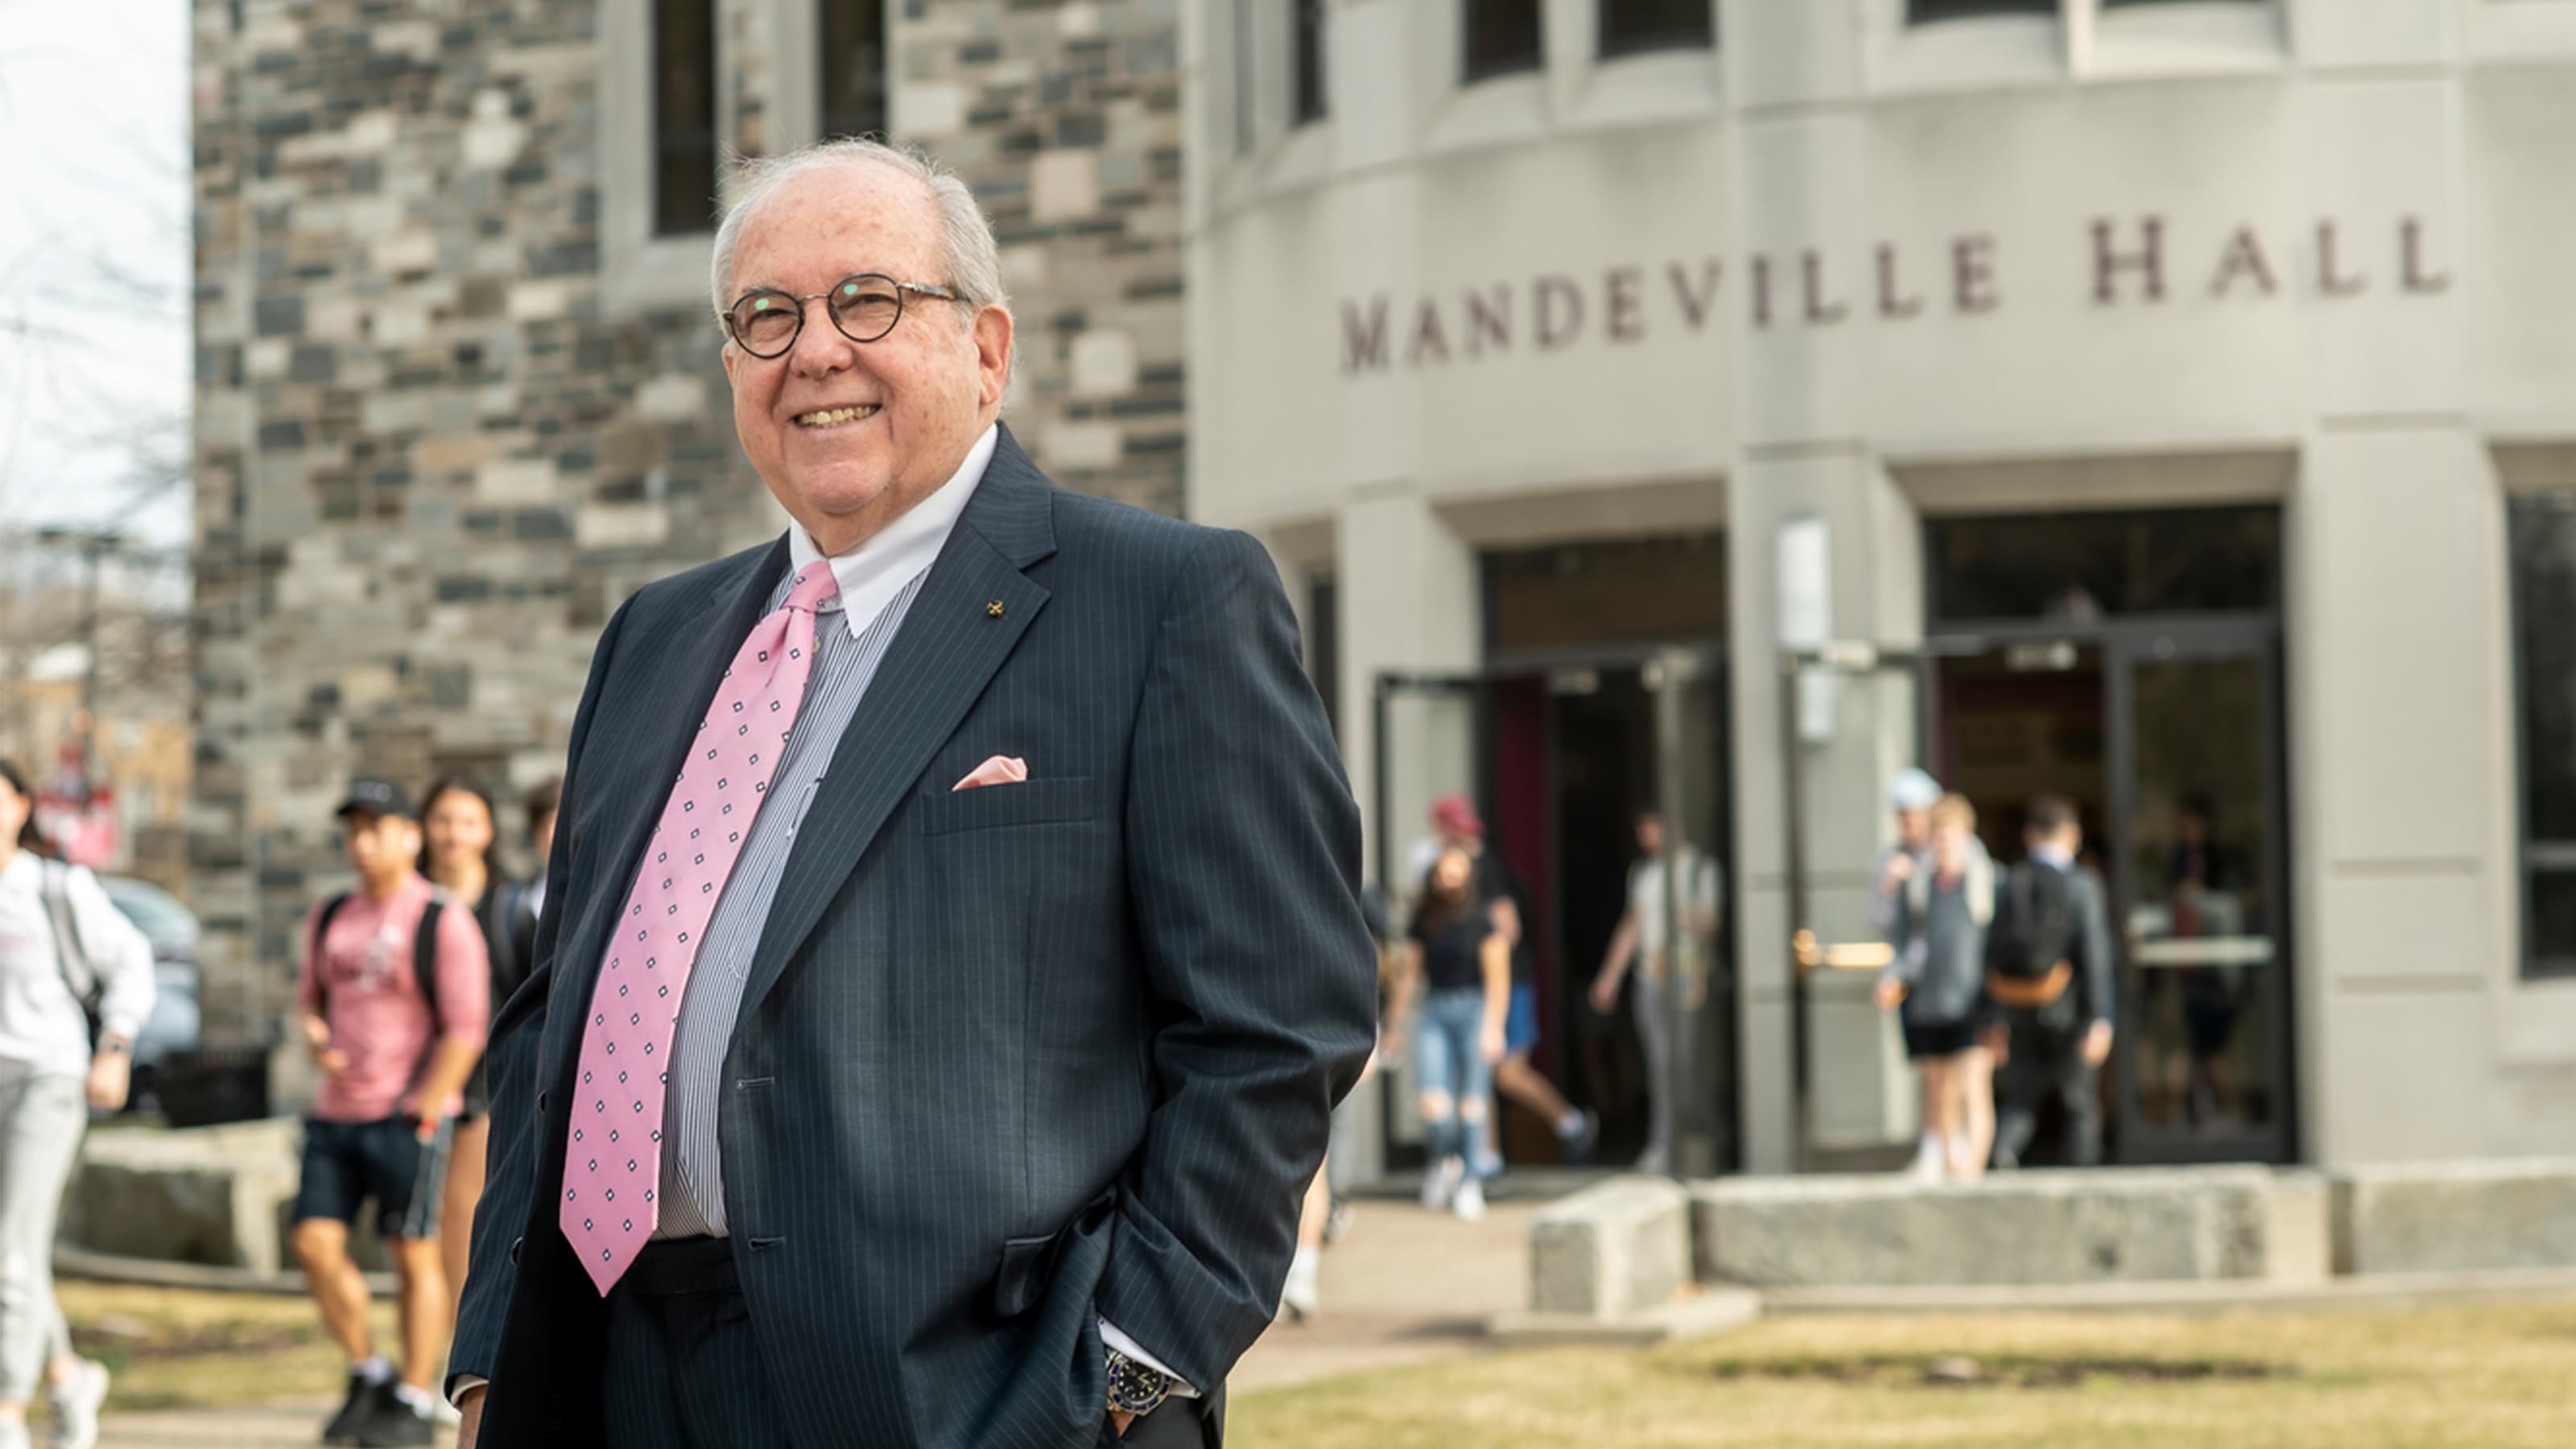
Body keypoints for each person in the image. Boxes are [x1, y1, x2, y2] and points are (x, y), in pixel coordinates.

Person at [448, 138, 1375, 1449]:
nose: (815, 350)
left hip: (975, 1393)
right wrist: (493, 1364)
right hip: (621, 1382)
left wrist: (1130, 1366)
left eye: (868, 300)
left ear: (988, 349)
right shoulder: (652, 640)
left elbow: (1279, 1025)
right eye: (767, 316)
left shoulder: (1164, 603)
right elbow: (557, 1022)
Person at [291, 778, 490, 1448]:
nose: (362, 843)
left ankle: (411, 1394)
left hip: (407, 1113)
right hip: (335, 1112)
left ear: (410, 836)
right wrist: (314, 1034)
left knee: (413, 1256)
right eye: (353, 830)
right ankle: (367, 1370)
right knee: (313, 1244)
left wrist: (429, 1105)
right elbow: (310, 999)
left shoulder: (440, 919)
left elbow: (467, 1028)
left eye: (376, 828)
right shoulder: (330, 914)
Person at [0, 760, 152, 1449]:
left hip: (49, 1079)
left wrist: (114, 1046)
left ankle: (8, 1409)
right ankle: (67, 1378)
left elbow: (131, 961)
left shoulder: (56, 887)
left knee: (11, 1248)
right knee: (18, 1251)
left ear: (21, 807)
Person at [1417, 795, 1597, 1174]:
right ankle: (1486, 1157)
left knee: (1507, 1073)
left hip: (1505, 984)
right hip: (1478, 988)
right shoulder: (1460, 869)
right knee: (1476, 1074)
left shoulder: (1484, 870)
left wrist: (1478, 963)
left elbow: (1507, 930)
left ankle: (1571, 1123)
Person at [416, 778, 527, 1333]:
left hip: (487, 1091)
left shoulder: (512, 909)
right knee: (417, 1234)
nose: (453, 834)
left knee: (462, 1220)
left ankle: (465, 1349)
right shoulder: (408, 904)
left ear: (488, 831)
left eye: (467, 821)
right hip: (413, 1085)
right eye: (442, 820)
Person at [1587, 810, 1723, 1173]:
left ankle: (1692, 1138)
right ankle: (1663, 1141)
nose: (1645, 837)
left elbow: (1713, 922)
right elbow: (1631, 926)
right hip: (1651, 975)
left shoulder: (1700, 869)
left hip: (1688, 976)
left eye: (1650, 828)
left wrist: (1684, 916)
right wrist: (1610, 977)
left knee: (1685, 1061)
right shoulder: (1644, 872)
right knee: (1659, 1062)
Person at [1986, 795, 2116, 1170]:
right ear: (2072, 835)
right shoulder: (2082, 885)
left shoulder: (2009, 882)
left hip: (2018, 1007)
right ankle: (2080, 1178)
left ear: (2030, 835)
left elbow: (1991, 951)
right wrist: (2100, 1017)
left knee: (2020, 1098)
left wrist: (1995, 1015)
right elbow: (2094, 955)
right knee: (2078, 1103)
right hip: (2068, 1011)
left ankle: (2003, 1155)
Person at [1872, 794, 1996, 1181]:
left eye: (1950, 833)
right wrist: (1893, 976)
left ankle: (1972, 1168)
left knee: (1972, 1084)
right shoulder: (1918, 885)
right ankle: (1950, 1164)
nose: (1943, 841)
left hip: (1973, 1000)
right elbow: (1901, 939)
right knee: (1940, 1090)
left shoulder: (1987, 881)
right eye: (1938, 833)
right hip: (1930, 999)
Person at [1389, 847, 1510, 1223]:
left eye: (1457, 874)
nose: (1449, 882)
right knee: (1434, 1103)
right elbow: (1409, 975)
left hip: (1474, 1010)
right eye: (1444, 874)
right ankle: (1444, 1160)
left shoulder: (1482, 920)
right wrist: (1392, 1025)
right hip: (1435, 1010)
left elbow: (1498, 979)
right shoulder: (1425, 920)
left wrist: (1494, 1028)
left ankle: (1470, 1180)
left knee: (1472, 1105)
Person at [1869, 767, 1947, 1179]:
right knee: (1929, 1068)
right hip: (1916, 981)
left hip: (1951, 979)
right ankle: (1934, 1147)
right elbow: (1882, 924)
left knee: (1959, 1070)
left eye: (1914, 814)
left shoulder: (1950, 854)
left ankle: (1955, 1148)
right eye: (1902, 816)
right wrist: (1890, 887)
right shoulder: (1891, 860)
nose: (1908, 824)